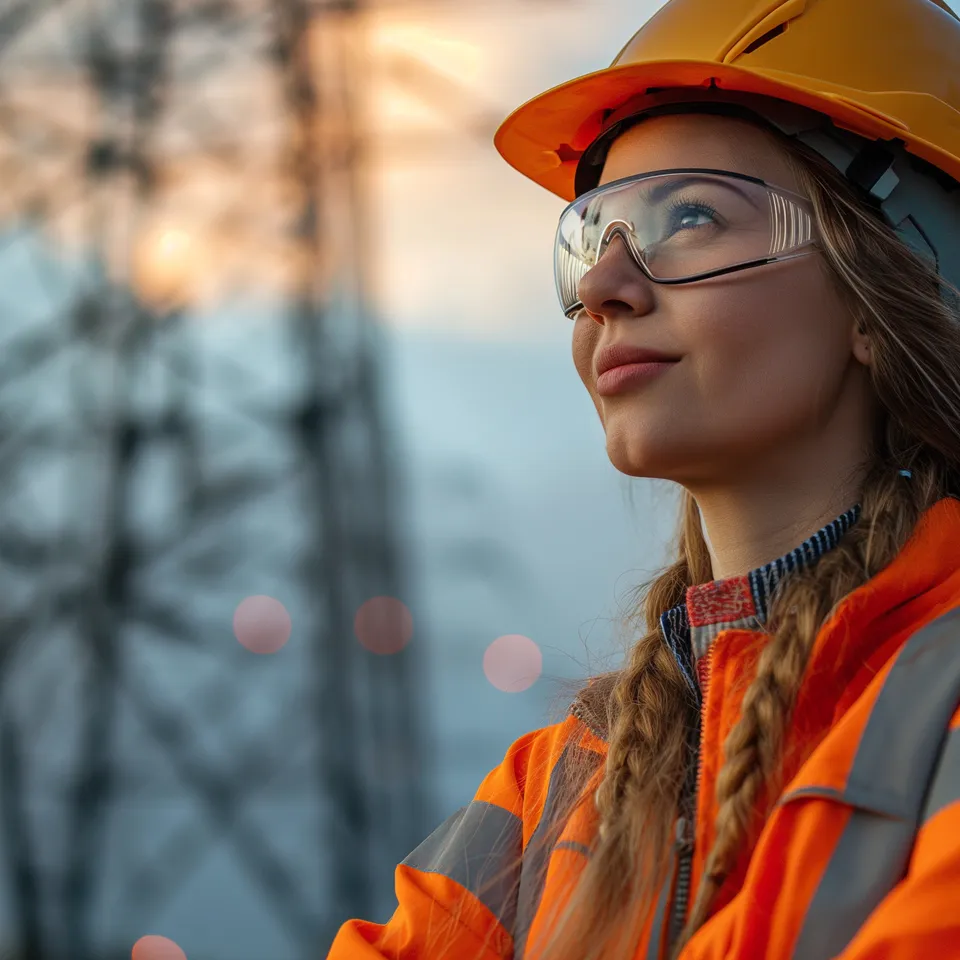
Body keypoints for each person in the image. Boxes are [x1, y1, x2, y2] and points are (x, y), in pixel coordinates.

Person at [327, 0, 960, 957]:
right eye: (593, 236)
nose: (603, 287)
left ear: (880, 296)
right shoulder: (554, 788)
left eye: (692, 216)